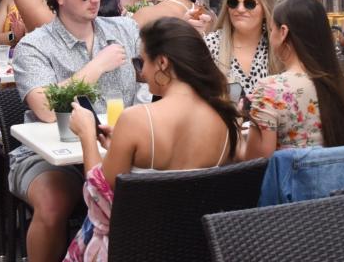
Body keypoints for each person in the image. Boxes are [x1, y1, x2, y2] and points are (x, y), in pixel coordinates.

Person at [65, 17, 239, 261]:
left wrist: (86, 136)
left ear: (163, 63)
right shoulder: (226, 119)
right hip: (196, 248)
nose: (142, 72)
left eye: (142, 61)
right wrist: (120, 147)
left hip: (136, 248)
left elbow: (100, 200)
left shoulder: (136, 120)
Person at [10, 0, 140, 262]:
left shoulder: (123, 29)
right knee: (53, 203)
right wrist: (97, 66)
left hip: (121, 146)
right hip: (52, 157)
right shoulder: (34, 45)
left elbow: (156, 76)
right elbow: (44, 107)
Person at [242, 0, 344, 157]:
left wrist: (236, 136)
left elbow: (256, 164)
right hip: (339, 180)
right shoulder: (341, 82)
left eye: (271, 28)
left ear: (283, 32)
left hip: (288, 181)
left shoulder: (270, 90)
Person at [205, 0, 279, 95]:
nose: (240, 9)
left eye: (249, 4)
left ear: (266, 8)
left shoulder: (279, 48)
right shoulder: (210, 45)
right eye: (233, 2)